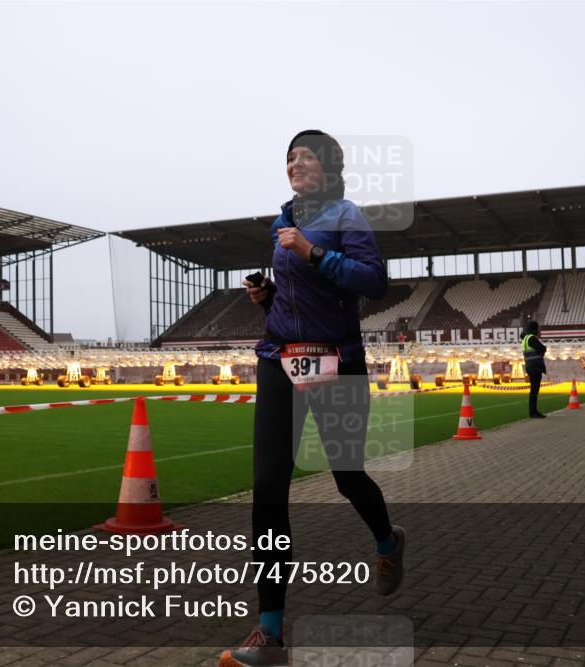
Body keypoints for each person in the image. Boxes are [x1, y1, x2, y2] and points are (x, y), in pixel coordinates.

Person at [220, 131, 404, 667]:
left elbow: (373, 282)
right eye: (289, 158)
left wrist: (313, 252)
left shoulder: (347, 216)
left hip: (334, 359)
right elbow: (299, 300)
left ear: (328, 169)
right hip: (279, 356)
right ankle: (271, 635)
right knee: (266, 488)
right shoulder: (282, 222)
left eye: (304, 157)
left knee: (347, 476)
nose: (294, 164)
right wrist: (268, 297)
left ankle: (388, 543)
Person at [521, 320, 547, 418]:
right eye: (538, 328)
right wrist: (543, 350)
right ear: (535, 329)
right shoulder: (532, 338)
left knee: (533, 391)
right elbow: (542, 348)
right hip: (536, 367)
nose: (539, 330)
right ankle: (533, 412)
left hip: (530, 366)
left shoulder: (525, 339)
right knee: (534, 391)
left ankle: (533, 411)